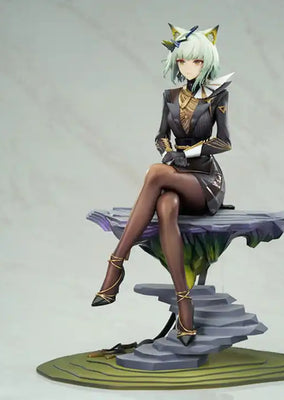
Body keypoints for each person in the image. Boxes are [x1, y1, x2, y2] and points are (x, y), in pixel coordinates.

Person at [91, 24, 233, 347]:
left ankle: (116, 263)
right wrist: (169, 152)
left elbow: (224, 142)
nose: (189, 66)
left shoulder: (217, 95)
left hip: (205, 181)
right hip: (175, 176)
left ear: (206, 62)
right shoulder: (170, 97)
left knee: (155, 173)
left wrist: (188, 153)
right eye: (182, 60)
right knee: (166, 205)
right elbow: (160, 136)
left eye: (196, 61)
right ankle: (185, 304)